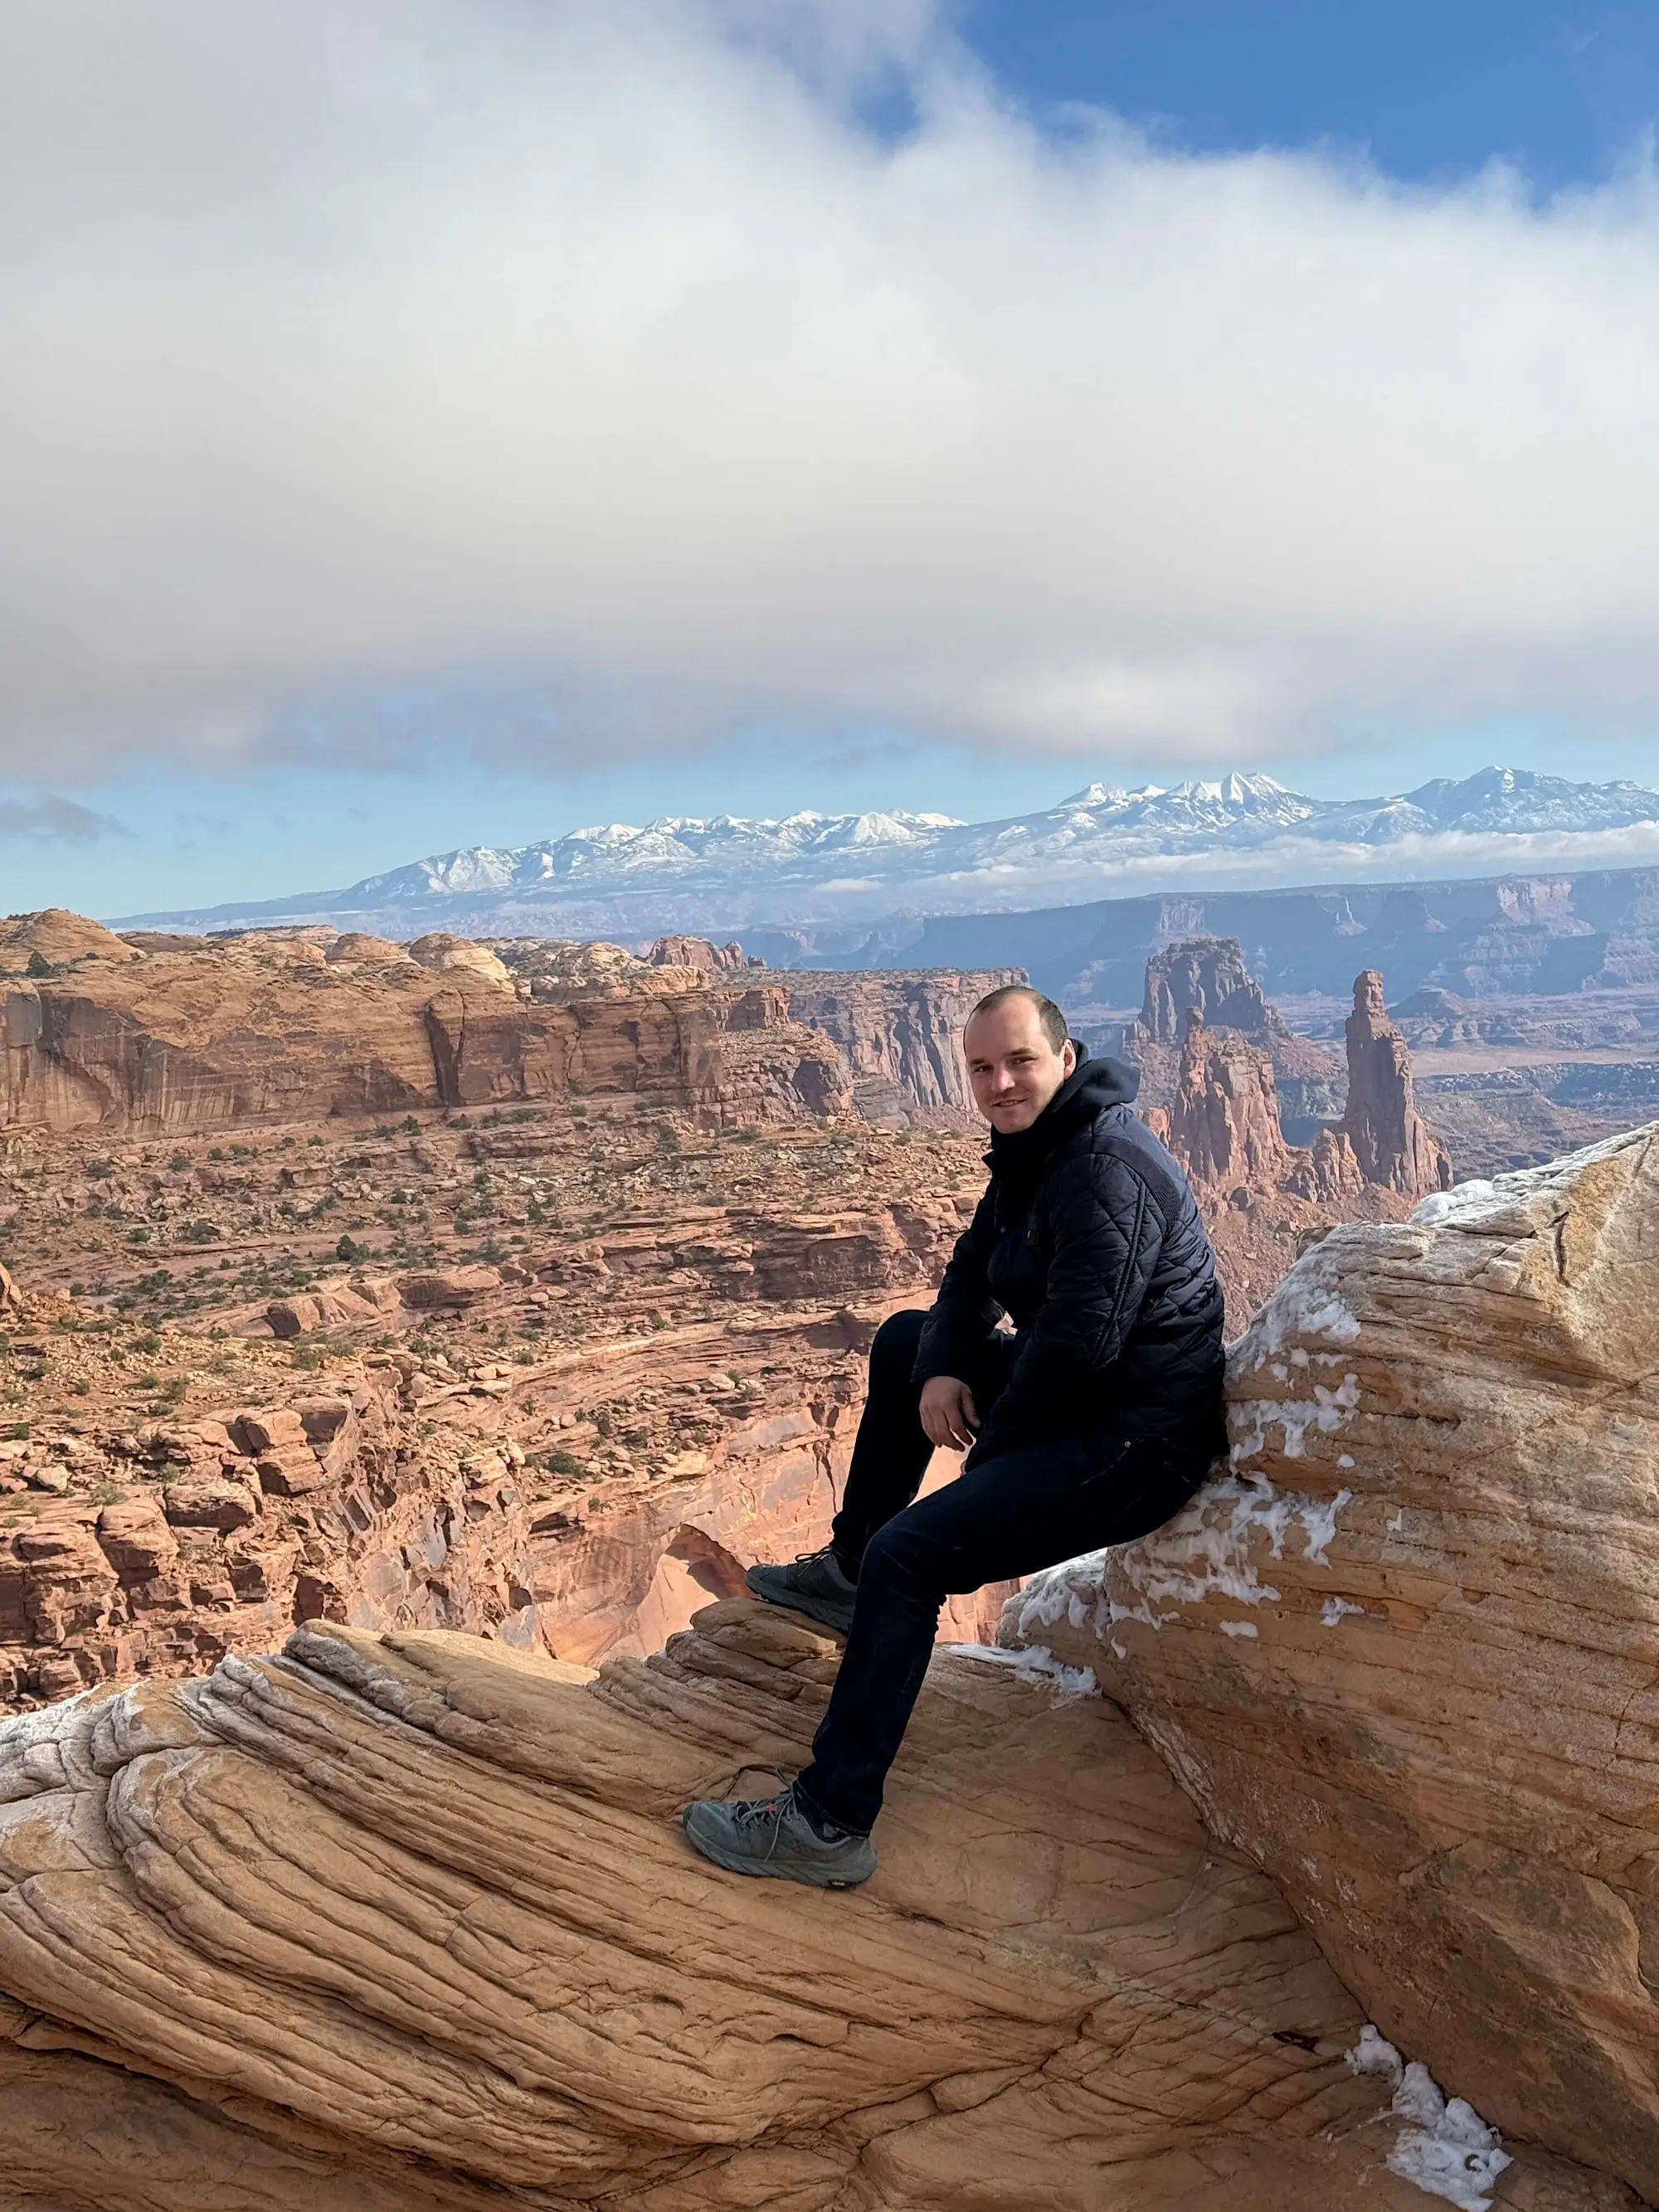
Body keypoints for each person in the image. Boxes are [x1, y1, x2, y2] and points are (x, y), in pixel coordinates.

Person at [681, 984, 1225, 1888]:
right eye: (981, 1067)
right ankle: (847, 1574)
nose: (1000, 1083)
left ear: (1063, 1056)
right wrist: (939, 1368)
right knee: (902, 1343)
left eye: (1018, 1061)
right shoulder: (1034, 1148)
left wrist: (982, 1472)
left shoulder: (1103, 1172)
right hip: (1086, 1397)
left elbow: (1071, 1356)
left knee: (915, 1555)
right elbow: (972, 1270)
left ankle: (828, 1821)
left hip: (1137, 1440)